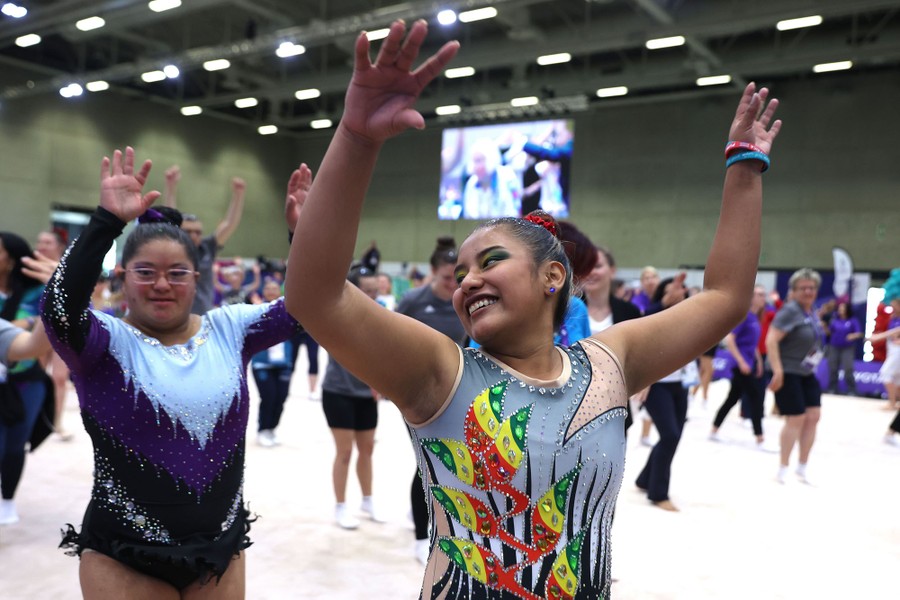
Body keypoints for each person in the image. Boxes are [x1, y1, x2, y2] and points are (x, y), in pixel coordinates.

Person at [283, 19, 780, 598]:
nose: (468, 281)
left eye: (490, 261)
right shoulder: (441, 374)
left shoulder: (609, 365)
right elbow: (317, 296)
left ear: (553, 276)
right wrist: (356, 137)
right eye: (460, 274)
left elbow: (724, 299)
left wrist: (745, 166)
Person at [41, 147, 303, 596]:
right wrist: (105, 221)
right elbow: (60, 310)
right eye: (146, 272)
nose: (162, 284)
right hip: (124, 555)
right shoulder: (103, 342)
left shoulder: (230, 329)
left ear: (197, 278)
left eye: (177, 273)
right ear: (122, 276)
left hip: (220, 551)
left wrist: (304, 235)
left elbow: (310, 306)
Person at [396, 236, 466, 564]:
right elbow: (390, 337)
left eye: (458, 277)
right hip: (415, 392)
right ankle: (421, 536)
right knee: (426, 462)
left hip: (455, 391)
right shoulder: (414, 300)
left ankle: (436, 514)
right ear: (433, 271)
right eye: (448, 277)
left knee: (449, 461)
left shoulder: (465, 300)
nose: (453, 284)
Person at [319, 266, 387, 530]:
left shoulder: (381, 316)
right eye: (366, 290)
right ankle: (340, 505)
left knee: (367, 449)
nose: (372, 295)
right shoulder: (338, 315)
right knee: (345, 452)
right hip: (338, 392)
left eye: (375, 290)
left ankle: (367, 500)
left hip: (366, 393)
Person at [0, 232, 48, 525]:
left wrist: (28, 320)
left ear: (11, 258)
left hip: (26, 378)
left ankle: (7, 499)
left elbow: (49, 323)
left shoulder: (34, 292)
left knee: (15, 443)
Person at [766, 269, 825, 485]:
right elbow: (771, 340)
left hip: (807, 371)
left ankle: (802, 467)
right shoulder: (790, 311)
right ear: (794, 290)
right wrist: (777, 370)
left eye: (812, 288)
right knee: (796, 417)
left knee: (813, 416)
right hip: (788, 370)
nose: (808, 291)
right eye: (803, 288)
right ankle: (782, 467)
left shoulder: (811, 311)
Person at [164, 165, 247, 314]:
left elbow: (229, 224)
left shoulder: (208, 247)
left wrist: (239, 195)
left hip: (203, 316)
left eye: (198, 232)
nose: (194, 235)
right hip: (175, 315)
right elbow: (170, 217)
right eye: (188, 231)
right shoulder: (172, 247)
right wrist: (170, 186)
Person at [710, 284, 771, 449]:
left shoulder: (755, 317)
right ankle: (760, 438)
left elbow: (753, 344)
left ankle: (714, 430)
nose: (763, 297)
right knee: (756, 397)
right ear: (751, 297)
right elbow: (730, 339)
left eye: (763, 294)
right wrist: (741, 361)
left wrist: (758, 361)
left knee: (732, 398)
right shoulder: (743, 316)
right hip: (740, 365)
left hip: (749, 363)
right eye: (759, 294)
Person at [461, 137, 523, 219]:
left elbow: (515, 210)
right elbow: (468, 214)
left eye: (478, 161)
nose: (475, 166)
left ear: (490, 159)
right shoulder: (471, 183)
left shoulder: (507, 176)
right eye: (474, 161)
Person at [824, 301, 863, 395]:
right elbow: (829, 333)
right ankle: (832, 388)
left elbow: (859, 333)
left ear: (847, 310)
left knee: (848, 368)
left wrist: (853, 335)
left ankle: (852, 389)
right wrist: (824, 327)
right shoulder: (835, 320)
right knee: (833, 367)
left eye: (843, 308)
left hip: (847, 347)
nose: (841, 310)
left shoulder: (853, 320)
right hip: (834, 346)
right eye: (840, 308)